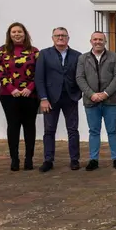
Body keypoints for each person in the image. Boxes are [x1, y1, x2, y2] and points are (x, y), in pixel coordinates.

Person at [36, 27, 83, 172]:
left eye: (63, 35)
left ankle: (74, 159)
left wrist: (79, 93)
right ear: (52, 38)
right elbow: (39, 78)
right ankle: (48, 160)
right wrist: (43, 98)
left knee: (73, 130)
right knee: (49, 130)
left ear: (68, 38)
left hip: (70, 97)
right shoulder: (44, 54)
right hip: (50, 98)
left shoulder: (77, 55)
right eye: (57, 35)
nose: (60, 38)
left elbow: (80, 76)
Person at [0, 22, 40, 171]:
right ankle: (14, 159)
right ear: (9, 34)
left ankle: (29, 159)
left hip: (30, 95)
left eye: (19, 32)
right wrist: (11, 88)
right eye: (13, 32)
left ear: (25, 34)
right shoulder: (2, 51)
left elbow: (39, 73)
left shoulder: (34, 51)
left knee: (29, 126)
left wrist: (30, 88)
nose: (17, 34)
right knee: (13, 126)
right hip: (9, 95)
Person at [76, 31, 116, 171]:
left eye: (101, 39)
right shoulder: (83, 58)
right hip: (91, 101)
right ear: (91, 41)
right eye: (95, 39)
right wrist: (92, 94)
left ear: (105, 41)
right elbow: (80, 78)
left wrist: (105, 93)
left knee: (112, 131)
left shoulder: (114, 57)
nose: (98, 42)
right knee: (94, 131)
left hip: (110, 101)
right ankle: (93, 160)